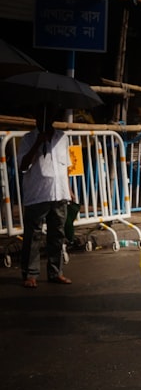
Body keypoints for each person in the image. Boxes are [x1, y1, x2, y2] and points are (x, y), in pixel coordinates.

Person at [18, 103, 73, 288]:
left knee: (57, 234)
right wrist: (37, 144)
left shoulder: (62, 138)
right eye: (41, 116)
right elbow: (22, 166)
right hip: (38, 194)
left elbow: (65, 166)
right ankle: (30, 273)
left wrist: (69, 189)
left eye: (49, 116)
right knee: (33, 235)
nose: (45, 120)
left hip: (59, 193)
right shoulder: (27, 139)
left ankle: (55, 272)